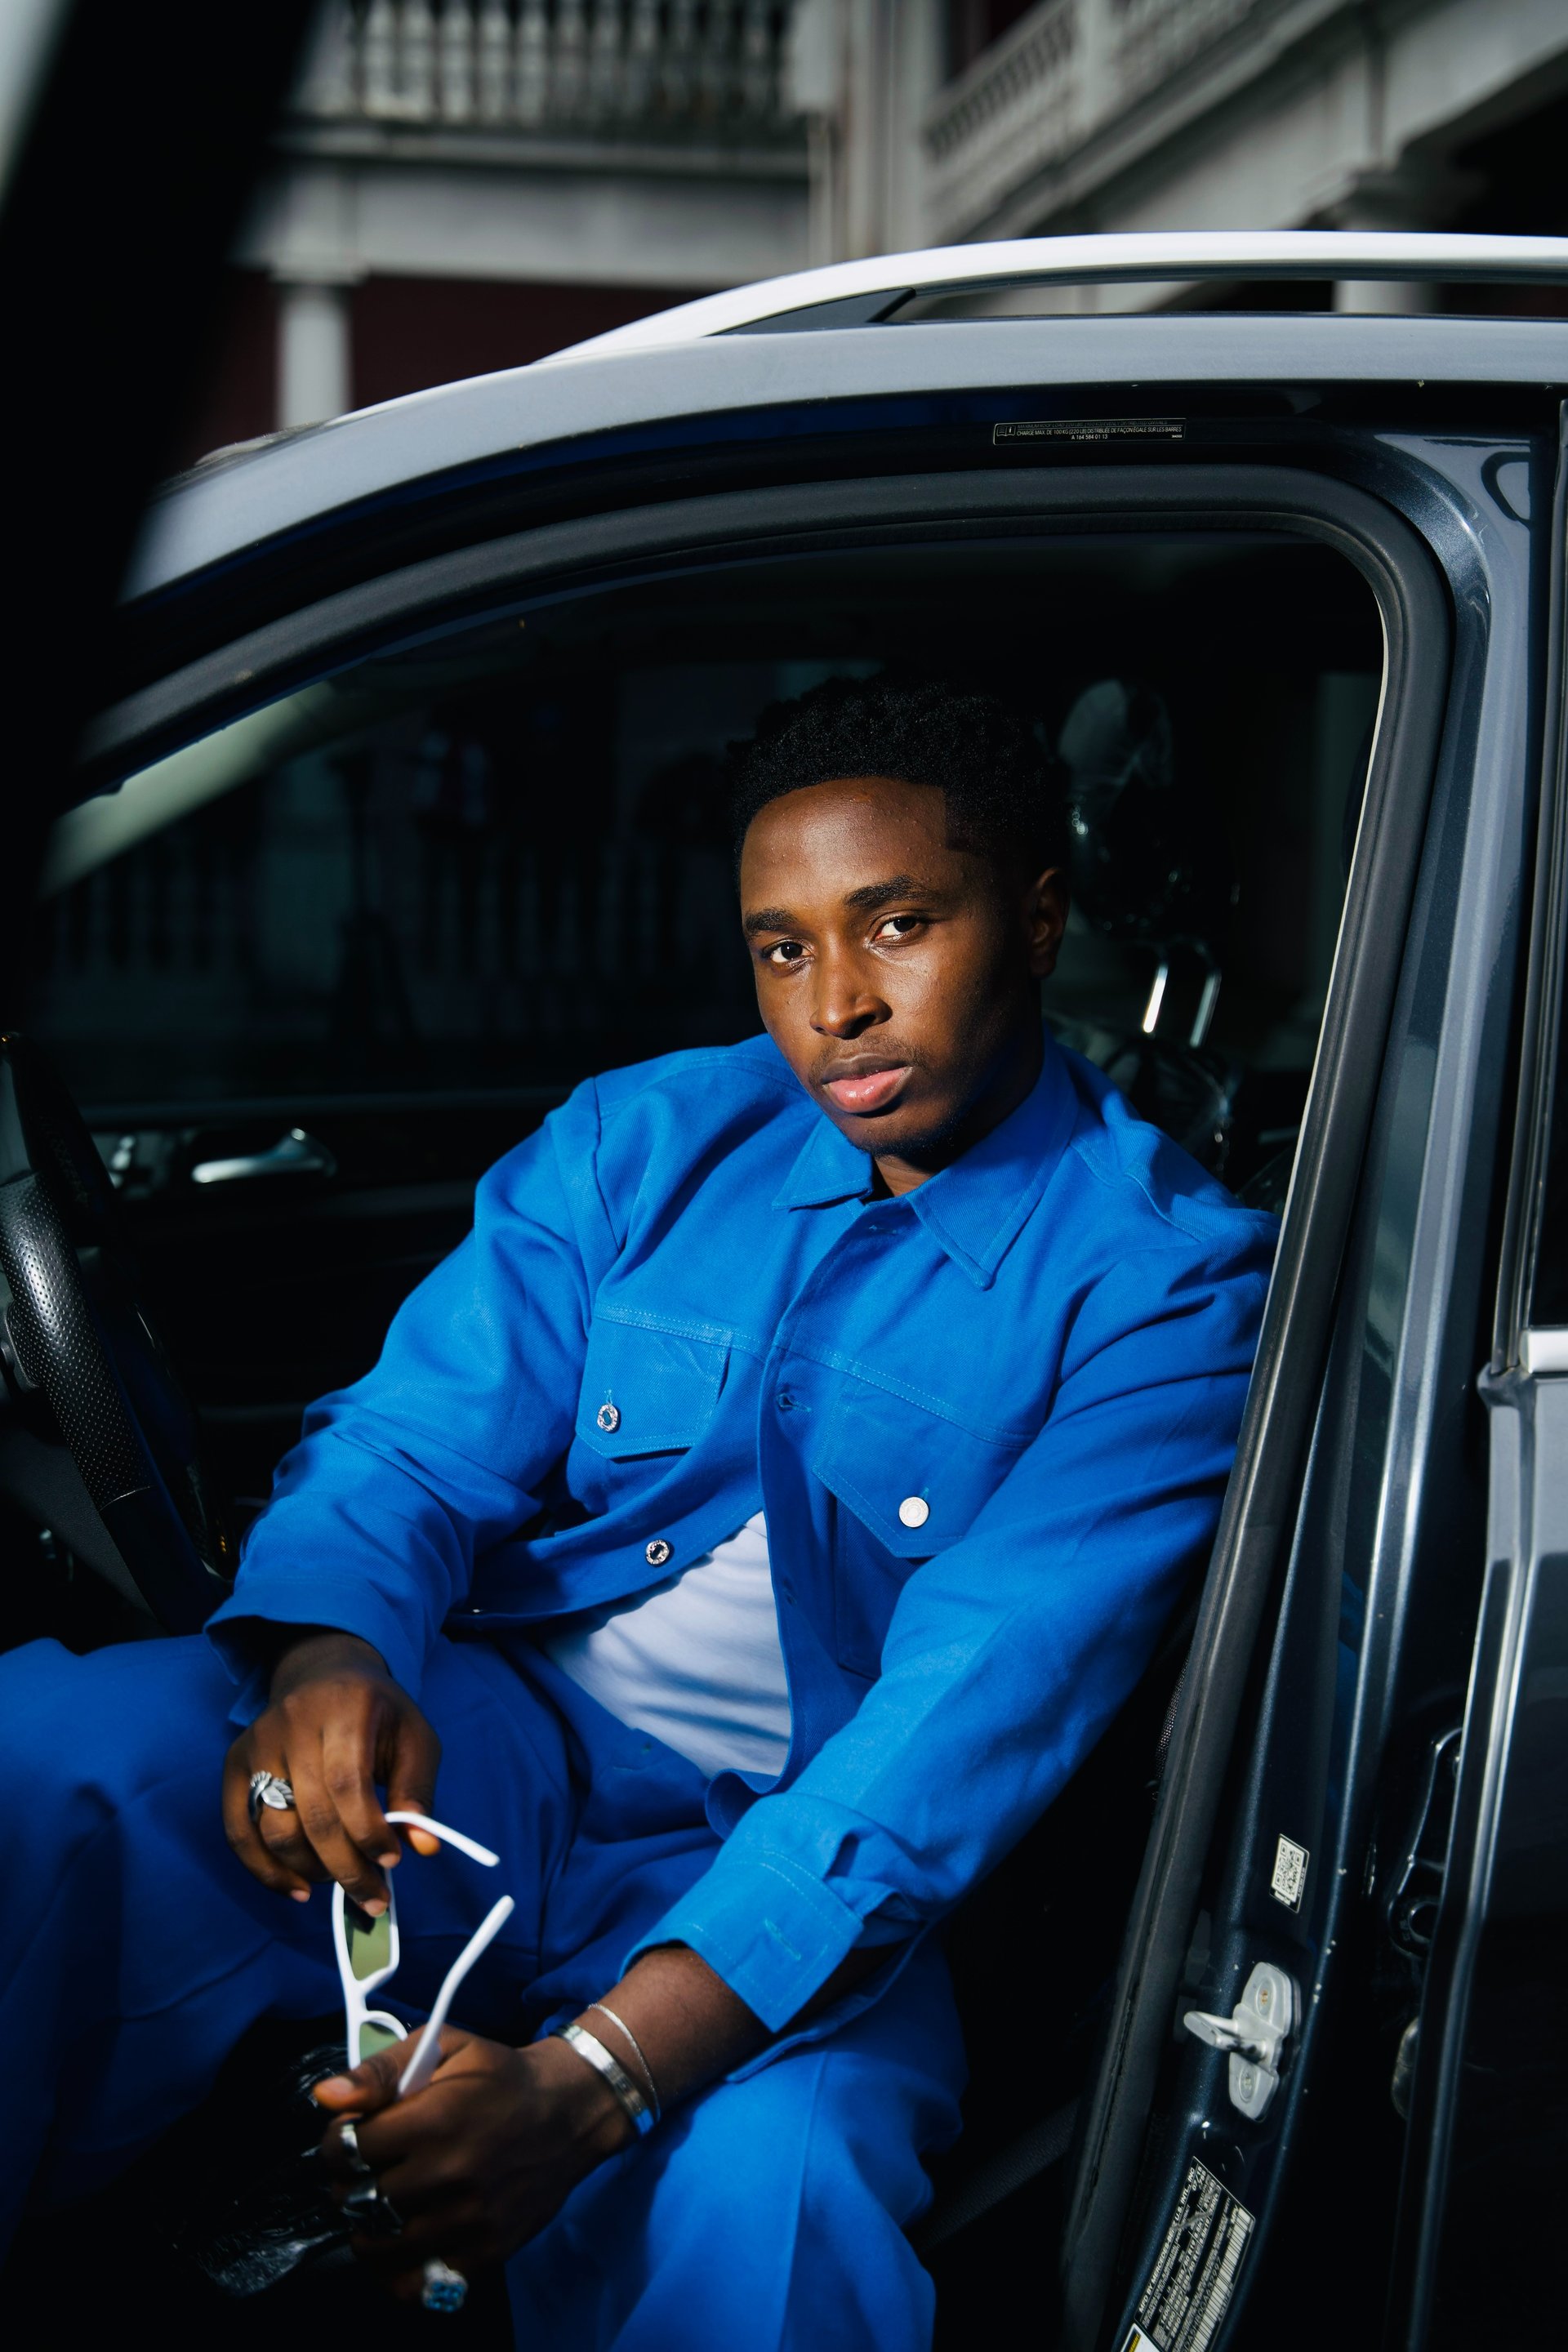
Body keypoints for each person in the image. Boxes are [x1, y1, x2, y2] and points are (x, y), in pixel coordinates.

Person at [1, 677, 1275, 2348]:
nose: (838, 1007)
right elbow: (409, 1444)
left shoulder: (1167, 1285)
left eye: (898, 926)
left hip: (794, 1865)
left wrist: (592, 2081)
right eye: (784, 947)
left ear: (1035, 920)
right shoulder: (646, 1138)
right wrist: (328, 1655)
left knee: (778, 2209)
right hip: (490, 1744)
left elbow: (964, 1729)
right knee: (52, 1757)